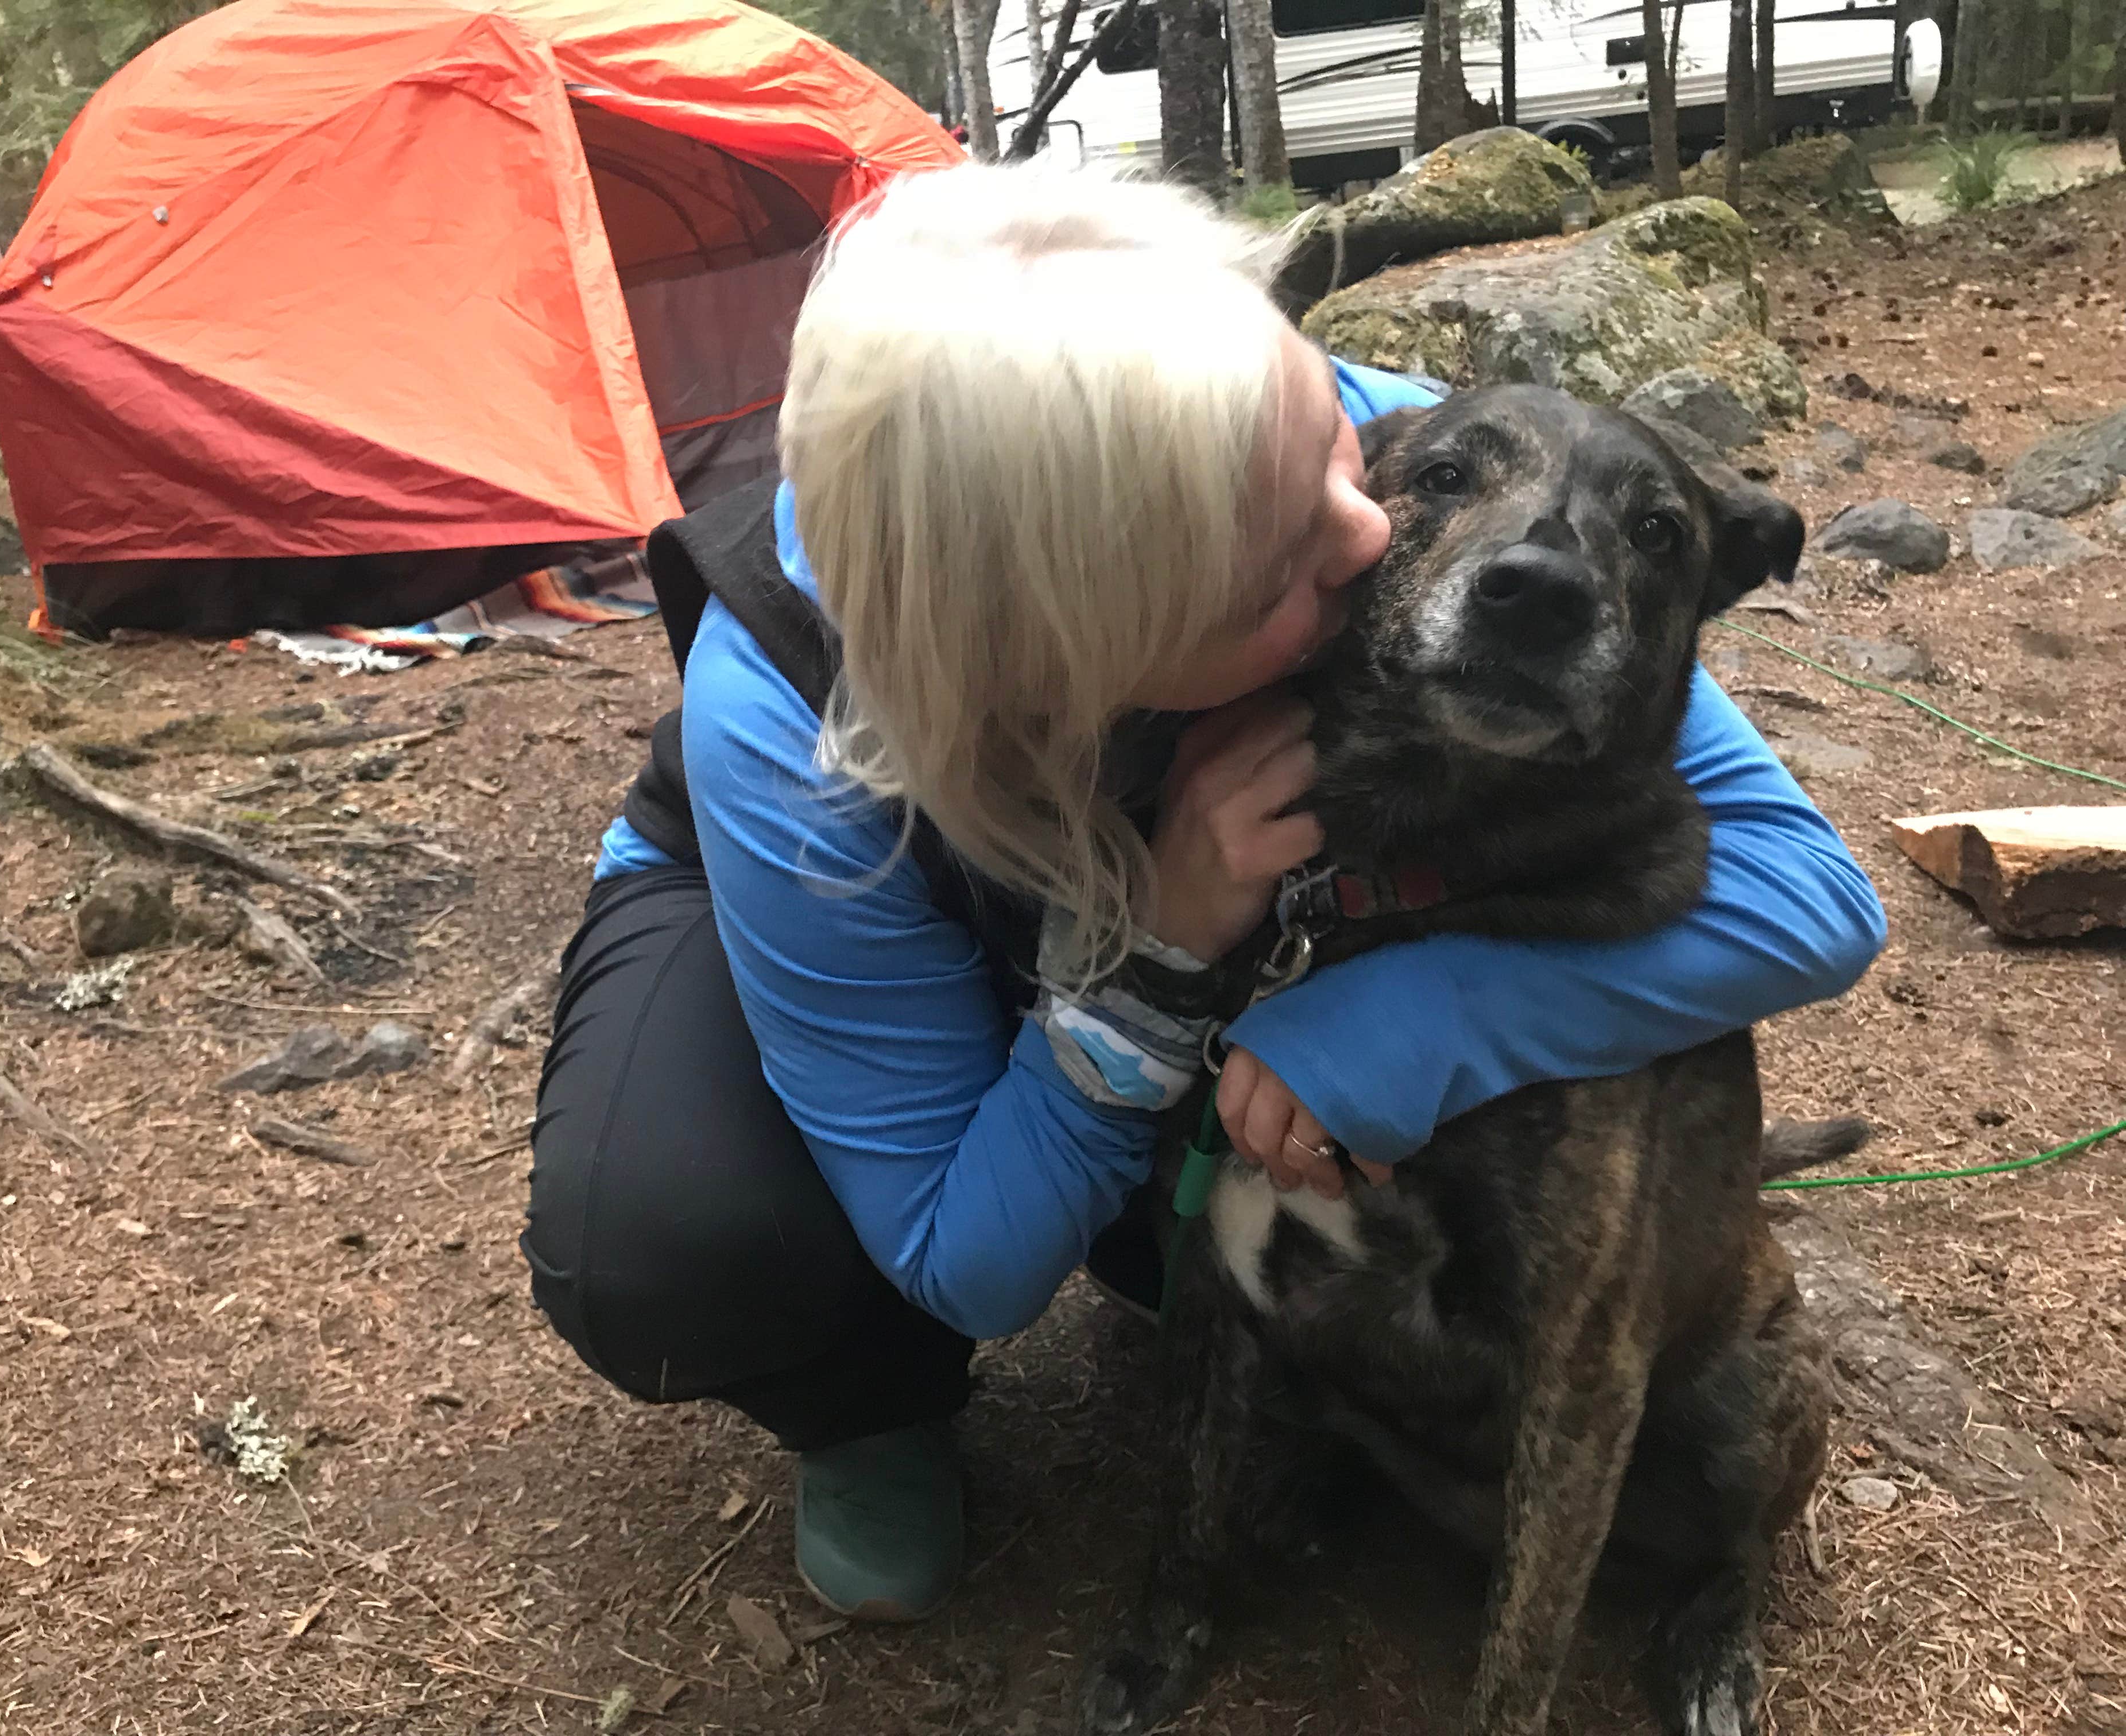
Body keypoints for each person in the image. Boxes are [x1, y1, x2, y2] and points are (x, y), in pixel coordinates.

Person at [523, 164, 1885, 1624]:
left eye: (1347, 466)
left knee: (1199, 1238)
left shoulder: (1338, 438)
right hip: (904, 888)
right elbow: (964, 1260)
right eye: (1285, 576)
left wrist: (1397, 1021)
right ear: (1092, 651)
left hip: (1186, 912)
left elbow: (1805, 889)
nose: (1370, 542)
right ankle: (862, 1413)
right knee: (672, 1241)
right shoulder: (786, 731)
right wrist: (1158, 963)